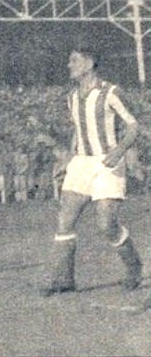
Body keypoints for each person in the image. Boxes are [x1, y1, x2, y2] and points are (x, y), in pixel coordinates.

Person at [41, 47, 143, 296]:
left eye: (74, 60)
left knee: (106, 224)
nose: (69, 65)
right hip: (81, 163)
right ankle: (64, 280)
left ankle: (134, 267)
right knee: (65, 221)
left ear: (89, 63)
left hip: (107, 162)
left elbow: (133, 126)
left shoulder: (111, 92)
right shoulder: (72, 97)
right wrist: (68, 159)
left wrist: (120, 151)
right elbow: (78, 131)